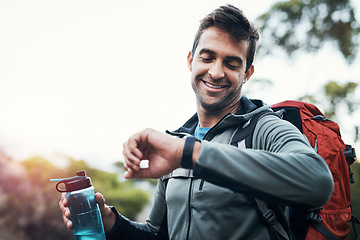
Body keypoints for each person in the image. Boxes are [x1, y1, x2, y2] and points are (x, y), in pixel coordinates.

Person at [59, 4, 334, 239]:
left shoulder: (263, 128)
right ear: (191, 61)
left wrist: (187, 153)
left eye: (232, 63)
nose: (216, 72)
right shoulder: (177, 140)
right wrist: (109, 220)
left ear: (247, 73)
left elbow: (319, 181)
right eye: (207, 57)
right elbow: (157, 234)